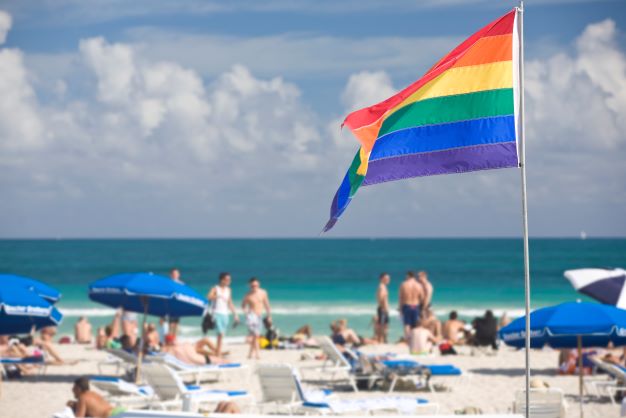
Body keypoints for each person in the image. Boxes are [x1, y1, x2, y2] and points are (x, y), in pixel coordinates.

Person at [208, 272, 239, 357]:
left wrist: (235, 314)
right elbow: (209, 296)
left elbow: (230, 302)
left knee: (221, 335)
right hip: (216, 313)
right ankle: (218, 354)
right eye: (227, 279)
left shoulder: (229, 290)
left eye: (230, 279)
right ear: (222, 280)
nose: (229, 281)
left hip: (225, 314)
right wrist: (216, 296)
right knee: (220, 333)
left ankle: (217, 353)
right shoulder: (215, 288)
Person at [241, 277, 271, 359]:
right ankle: (257, 354)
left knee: (255, 336)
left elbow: (267, 304)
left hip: (259, 316)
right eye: (252, 286)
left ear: (258, 284)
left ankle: (250, 354)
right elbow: (243, 305)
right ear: (250, 286)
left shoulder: (263, 292)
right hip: (251, 316)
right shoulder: (247, 295)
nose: (254, 287)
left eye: (256, 285)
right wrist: (246, 312)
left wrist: (269, 316)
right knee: (256, 335)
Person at [398, 271, 424, 341]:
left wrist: (400, 309)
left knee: (407, 324)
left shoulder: (403, 284)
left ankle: (407, 339)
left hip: (407, 305)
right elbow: (422, 297)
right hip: (415, 306)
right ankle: (414, 339)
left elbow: (401, 298)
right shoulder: (419, 285)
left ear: (408, 276)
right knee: (415, 324)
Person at [168, 268, 184, 336]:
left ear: (179, 275)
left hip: (178, 304)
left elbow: (184, 294)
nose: (175, 275)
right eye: (173, 274)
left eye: (176, 273)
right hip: (170, 304)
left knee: (176, 323)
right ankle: (170, 338)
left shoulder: (181, 284)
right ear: (170, 275)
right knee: (171, 323)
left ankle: (174, 338)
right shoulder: (168, 283)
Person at [375, 273, 390, 343]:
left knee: (385, 325)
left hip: (383, 309)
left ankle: (383, 340)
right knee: (382, 326)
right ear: (381, 279)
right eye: (386, 278)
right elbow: (381, 299)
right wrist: (384, 308)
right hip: (383, 309)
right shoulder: (382, 287)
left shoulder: (383, 286)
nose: (388, 280)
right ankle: (381, 340)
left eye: (388, 278)